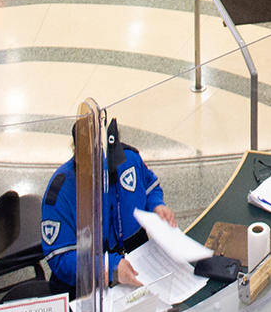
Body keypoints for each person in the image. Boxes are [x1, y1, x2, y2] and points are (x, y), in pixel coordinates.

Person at [41, 121, 177, 294]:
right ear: (75, 150)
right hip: (87, 285)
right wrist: (107, 266)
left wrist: (157, 205)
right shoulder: (59, 193)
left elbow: (150, 184)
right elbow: (59, 257)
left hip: (139, 263)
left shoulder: (128, 159)